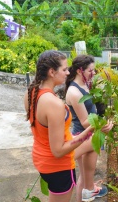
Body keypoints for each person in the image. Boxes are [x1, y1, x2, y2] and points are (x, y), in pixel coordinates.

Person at [24, 50, 94, 202]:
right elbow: (58, 150)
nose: (68, 72)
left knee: (94, 143)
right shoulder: (54, 104)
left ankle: (90, 187)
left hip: (41, 158)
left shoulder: (31, 92)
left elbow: (43, 131)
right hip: (58, 166)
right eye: (64, 69)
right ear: (51, 72)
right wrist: (88, 131)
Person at [65, 54, 113, 202]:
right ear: (80, 71)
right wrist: (104, 125)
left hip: (90, 132)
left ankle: (90, 189)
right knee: (85, 175)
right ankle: (88, 191)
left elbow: (93, 107)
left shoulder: (85, 83)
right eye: (90, 71)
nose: (93, 74)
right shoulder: (74, 92)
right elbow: (86, 121)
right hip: (83, 134)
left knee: (86, 175)